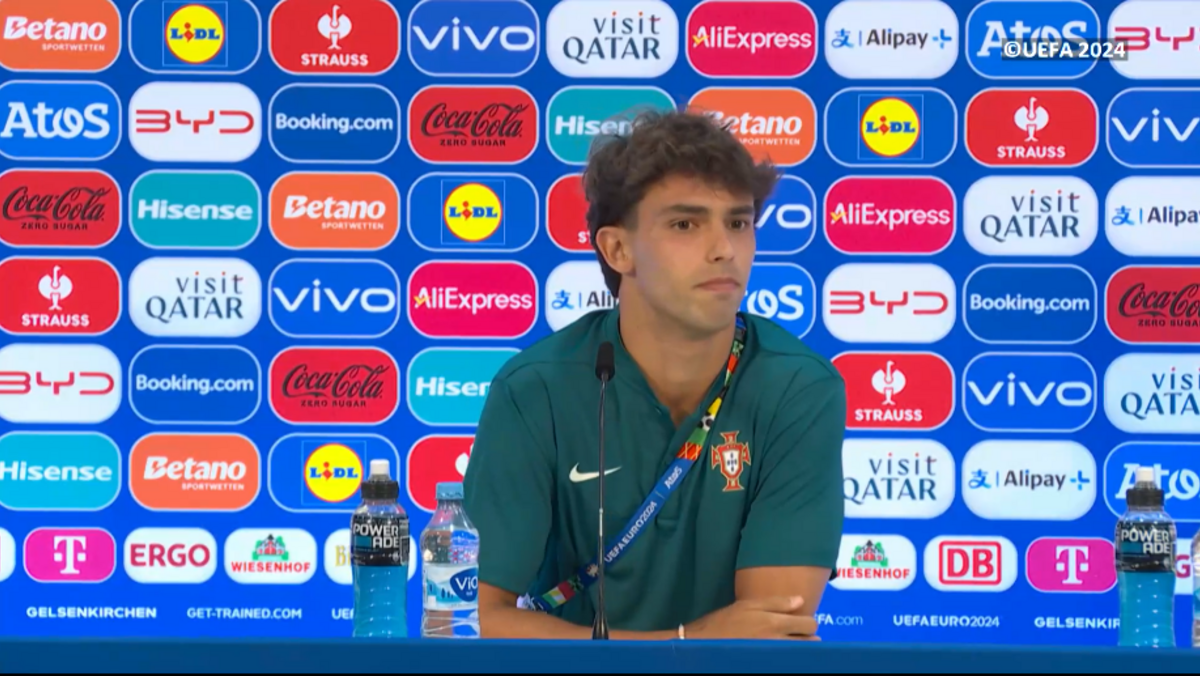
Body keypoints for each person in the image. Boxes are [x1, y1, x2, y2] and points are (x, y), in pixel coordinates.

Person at [462, 109, 846, 640]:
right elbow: (472, 618)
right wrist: (690, 641)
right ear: (618, 249)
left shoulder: (799, 389)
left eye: (738, 223)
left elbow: (770, 634)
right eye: (685, 224)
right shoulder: (534, 390)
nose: (724, 249)